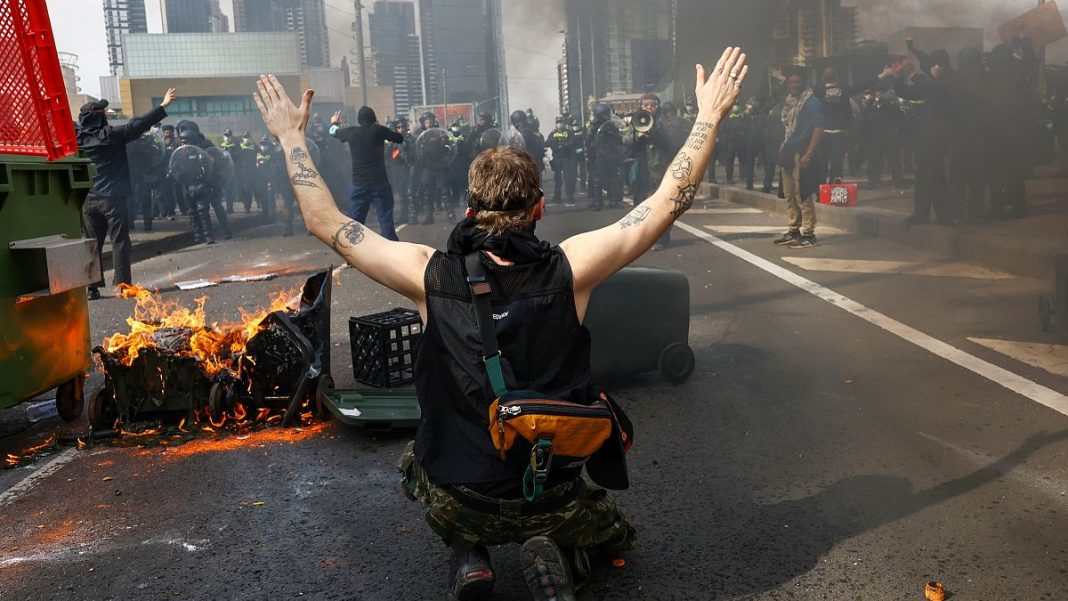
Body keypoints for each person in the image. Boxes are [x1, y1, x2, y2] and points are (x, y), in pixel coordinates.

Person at [253, 45, 748, 601]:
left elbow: (325, 221)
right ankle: (554, 545)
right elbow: (665, 203)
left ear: (469, 211)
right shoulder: (572, 268)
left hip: (468, 496)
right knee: (615, 535)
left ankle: (470, 555)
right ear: (539, 207)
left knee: (418, 463)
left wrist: (291, 137)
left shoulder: (428, 274)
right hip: (552, 490)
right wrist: (708, 116)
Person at [77, 89, 176, 299]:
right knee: (120, 241)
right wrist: (163, 106)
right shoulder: (111, 136)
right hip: (113, 197)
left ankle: (91, 288)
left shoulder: (77, 139)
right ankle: (123, 285)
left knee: (91, 244)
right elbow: (137, 125)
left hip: (88, 199)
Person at [329, 106, 405, 241]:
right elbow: (399, 138)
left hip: (359, 183)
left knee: (355, 223)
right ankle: (392, 251)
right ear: (374, 118)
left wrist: (335, 122)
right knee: (385, 219)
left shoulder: (351, 132)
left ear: (359, 120)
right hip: (379, 182)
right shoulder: (379, 130)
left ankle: (353, 254)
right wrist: (382, 127)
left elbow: (333, 132)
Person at [774, 70, 824, 249]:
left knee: (802, 192)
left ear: (803, 83)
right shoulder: (789, 102)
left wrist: (809, 153)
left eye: (797, 82)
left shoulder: (811, 102)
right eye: (791, 82)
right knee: (789, 193)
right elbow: (789, 127)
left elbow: (818, 128)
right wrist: (784, 143)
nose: (794, 85)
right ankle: (793, 230)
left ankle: (809, 234)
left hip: (802, 151)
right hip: (789, 150)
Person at [585, 102, 624, 211]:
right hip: (598, 157)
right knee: (598, 180)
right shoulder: (593, 128)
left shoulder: (611, 126)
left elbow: (619, 140)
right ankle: (599, 202)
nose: (609, 115)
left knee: (613, 178)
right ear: (602, 114)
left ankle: (612, 201)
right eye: (607, 114)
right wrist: (590, 156)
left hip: (609, 156)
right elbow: (588, 143)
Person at [546, 116, 577, 204]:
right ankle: (557, 196)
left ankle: (570, 195)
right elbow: (547, 143)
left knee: (568, 178)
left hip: (567, 158)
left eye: (561, 122)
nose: (560, 124)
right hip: (557, 158)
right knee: (557, 179)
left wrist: (565, 146)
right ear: (556, 124)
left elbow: (573, 142)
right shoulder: (552, 134)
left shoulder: (569, 133)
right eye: (558, 122)